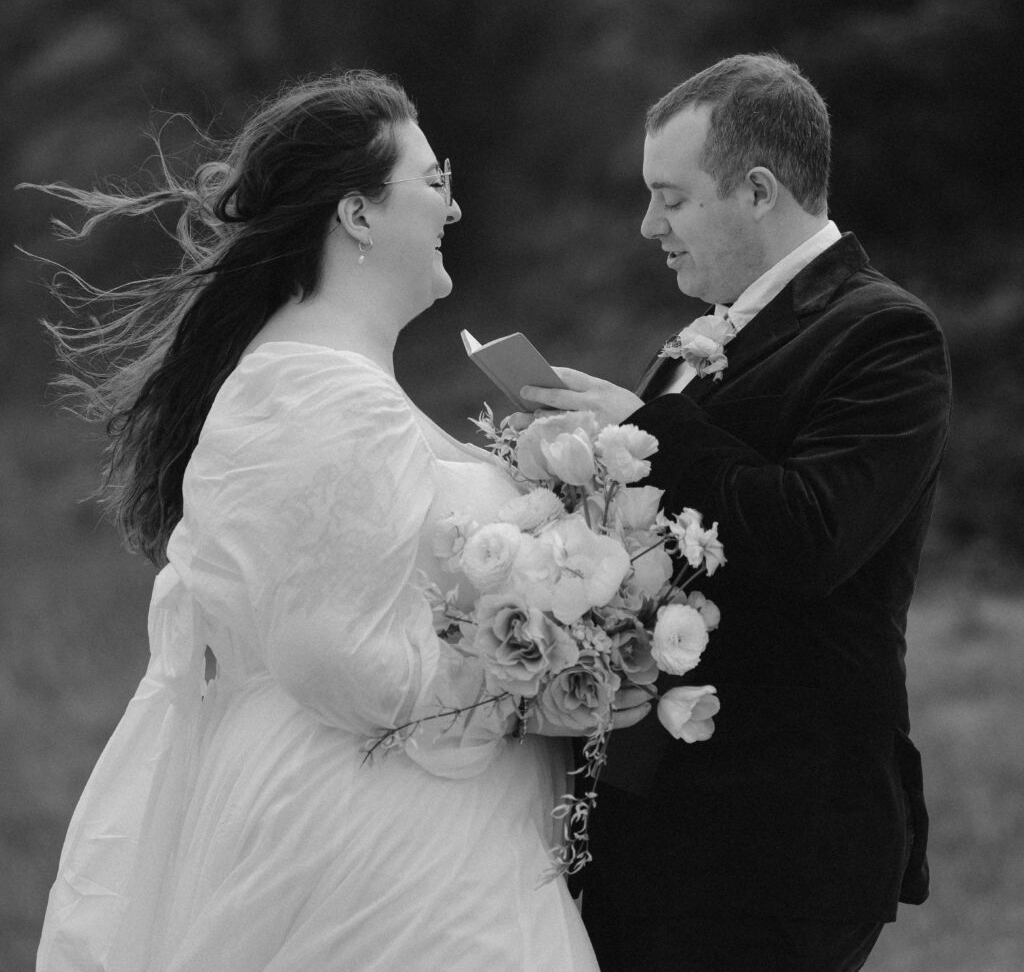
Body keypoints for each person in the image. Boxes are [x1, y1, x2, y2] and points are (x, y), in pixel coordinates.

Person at [28, 71, 617, 972]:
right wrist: (541, 684)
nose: (453, 210)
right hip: (384, 855)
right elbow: (335, 655)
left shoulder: (332, 381)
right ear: (357, 215)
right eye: (433, 183)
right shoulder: (324, 396)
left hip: (420, 840)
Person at [518, 54, 951, 972]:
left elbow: (811, 535)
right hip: (664, 821)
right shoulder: (706, 336)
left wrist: (647, 427)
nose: (648, 226)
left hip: (784, 837)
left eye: (670, 200)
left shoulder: (884, 334)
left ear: (757, 190)